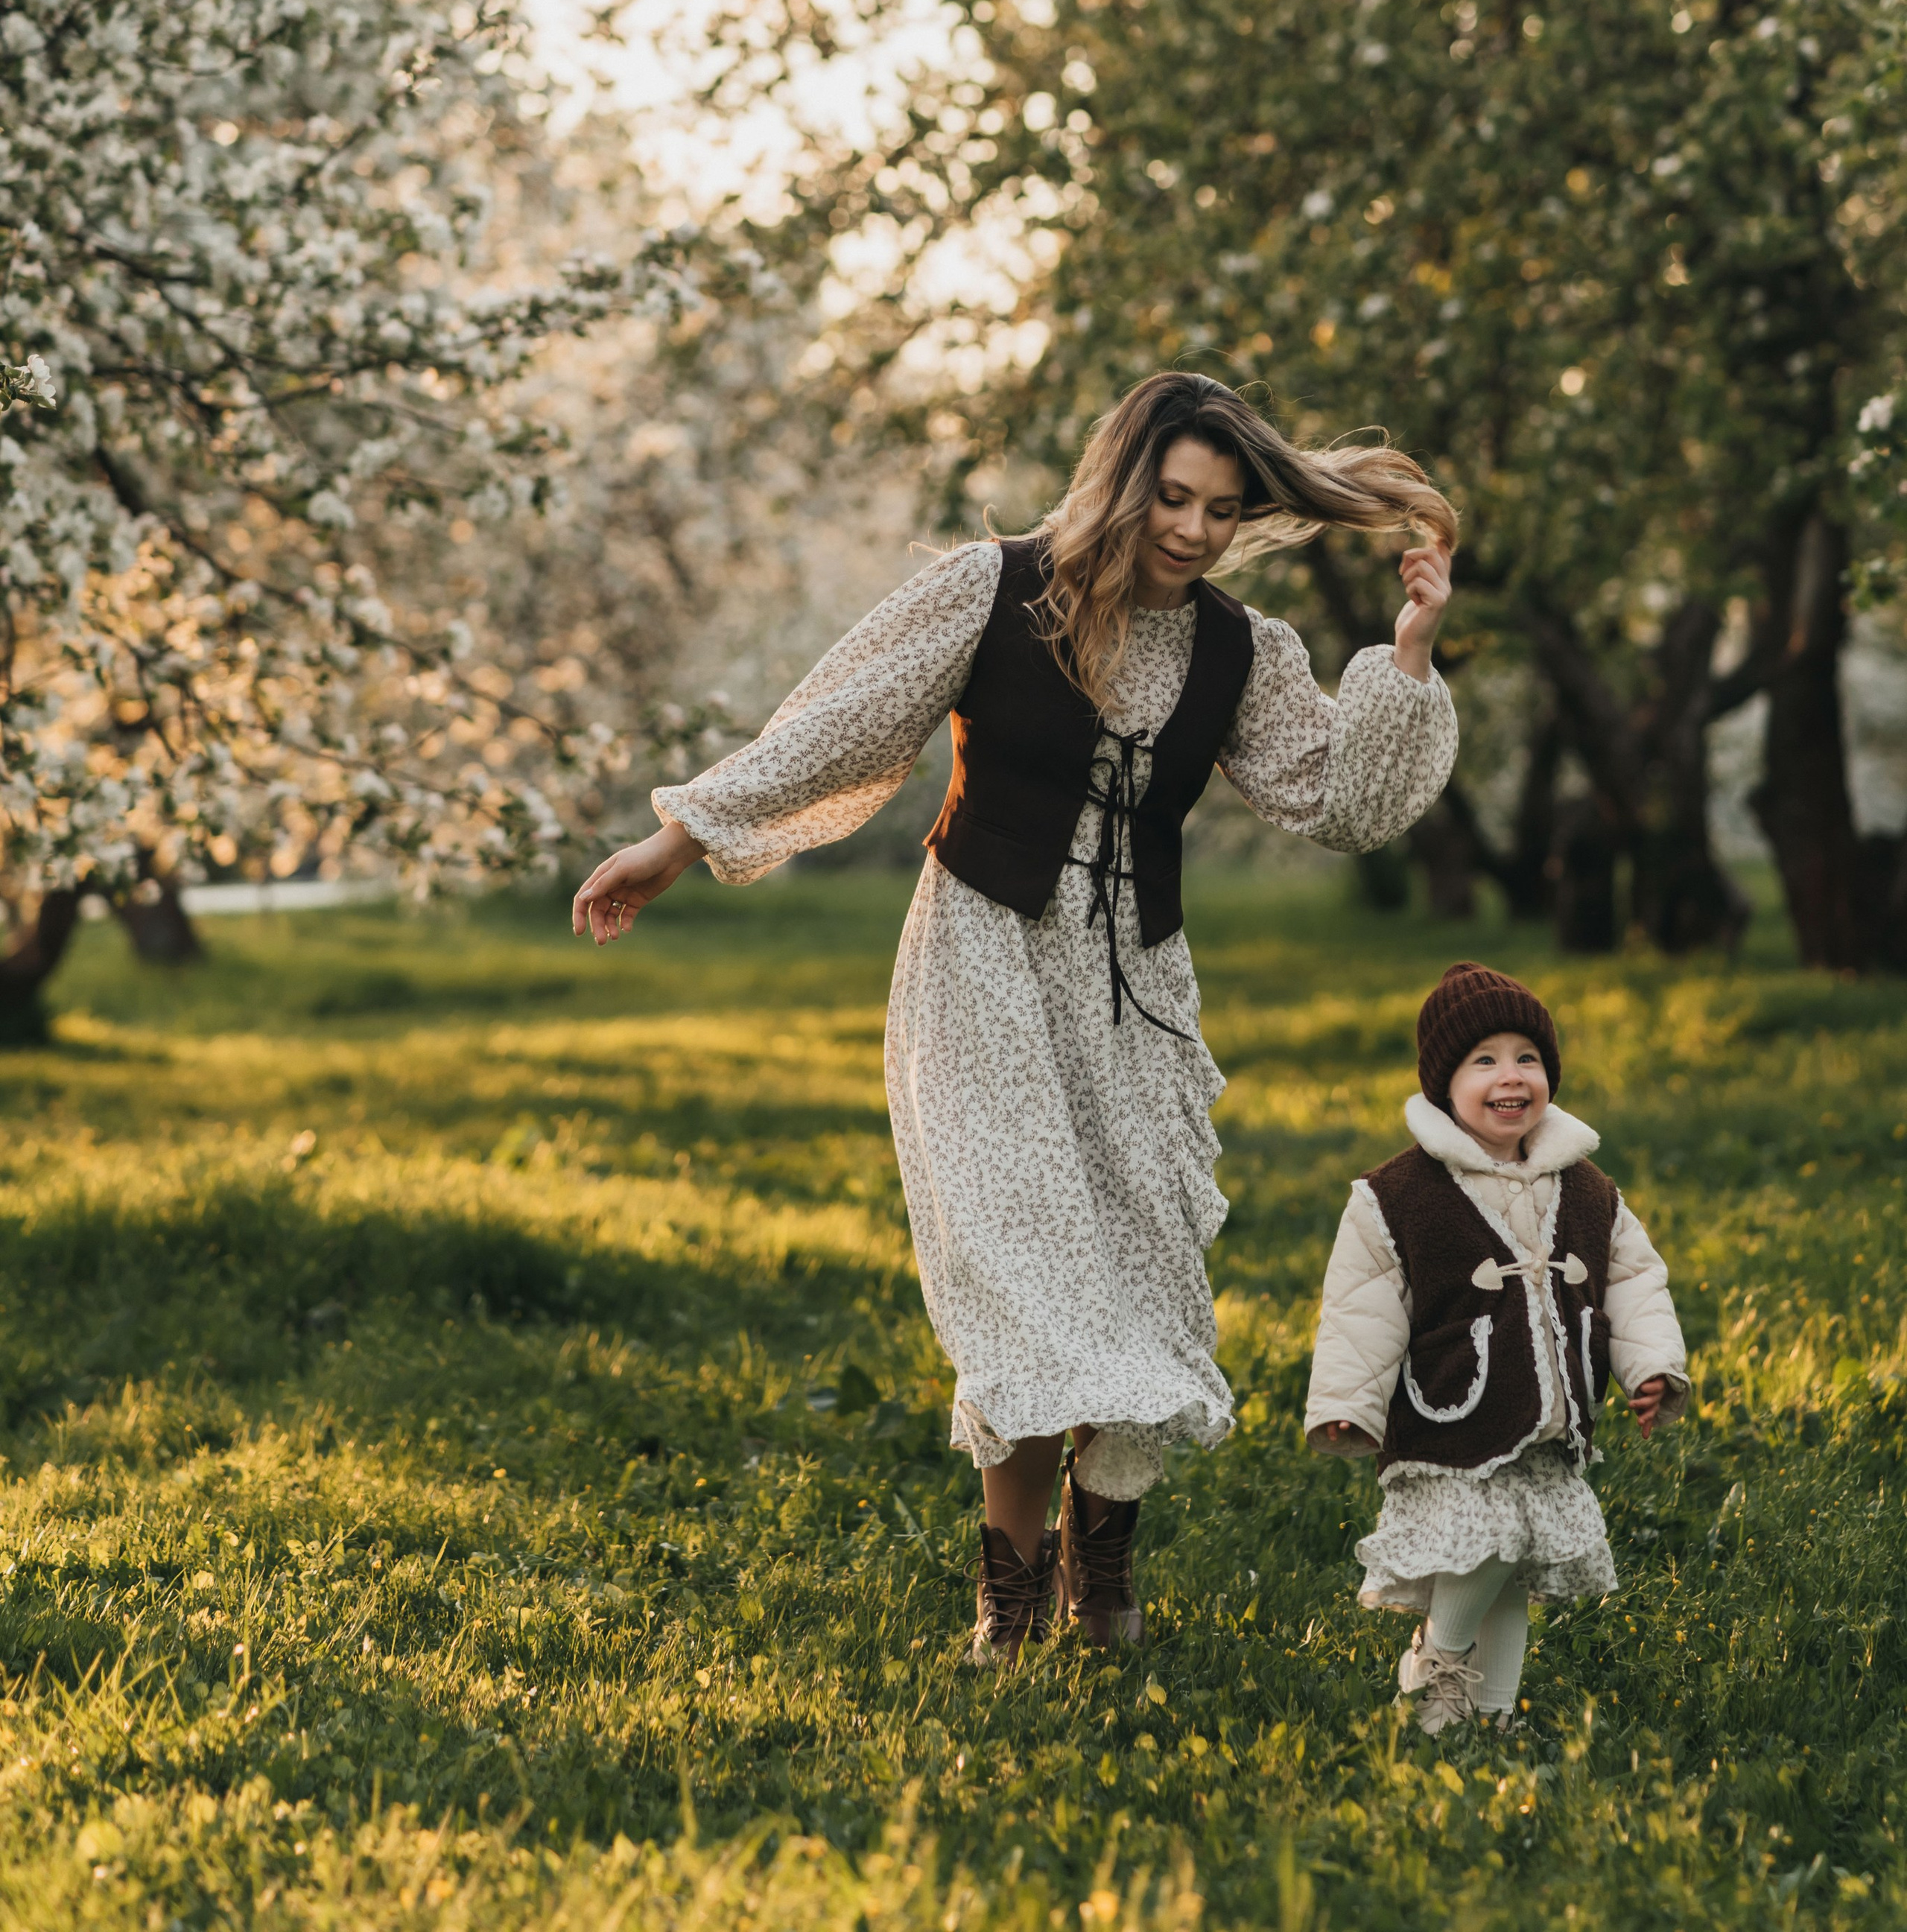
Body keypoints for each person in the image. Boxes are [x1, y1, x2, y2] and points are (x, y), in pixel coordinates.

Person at [573, 370, 1459, 1664]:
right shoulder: (992, 590)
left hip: (1135, 989)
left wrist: (1414, 651)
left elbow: (1342, 801)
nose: (1194, 530)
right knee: (1026, 1271)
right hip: (981, 962)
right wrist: (677, 839)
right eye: (1172, 497)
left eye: (1222, 508)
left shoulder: (1240, 651)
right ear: (1123, 477)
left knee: (1138, 1276)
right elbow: (844, 723)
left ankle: (1103, 1589)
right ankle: (1008, 1598)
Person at [1305, 961, 1687, 1733]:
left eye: (1528, 1058)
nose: (1510, 1077)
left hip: (1549, 1418)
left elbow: (1633, 1282)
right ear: (1445, 1083)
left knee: (1512, 1566)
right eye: (1484, 1060)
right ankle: (1435, 1666)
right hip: (1456, 1412)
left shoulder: (1586, 1187)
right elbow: (1361, 1308)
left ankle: (1491, 1710)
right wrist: (1348, 1404)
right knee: (1491, 1540)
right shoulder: (1399, 1194)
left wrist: (1650, 1367)